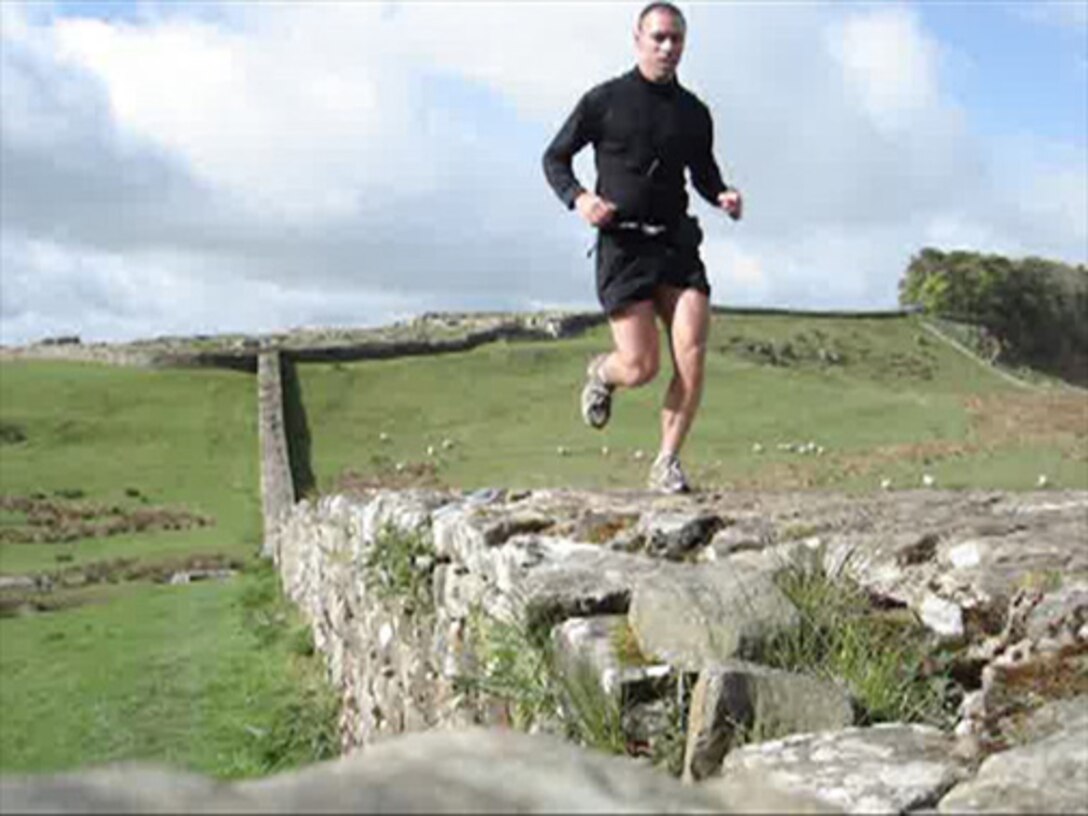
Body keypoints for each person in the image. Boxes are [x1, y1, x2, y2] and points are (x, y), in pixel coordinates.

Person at [542, 2, 743, 494]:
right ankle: (603, 372)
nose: (667, 47)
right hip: (623, 247)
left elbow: (703, 173)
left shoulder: (694, 113)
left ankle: (667, 463)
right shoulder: (604, 100)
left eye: (675, 39)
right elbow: (555, 158)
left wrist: (721, 194)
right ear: (638, 39)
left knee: (691, 356)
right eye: (658, 38)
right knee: (642, 366)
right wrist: (581, 199)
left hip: (675, 244)